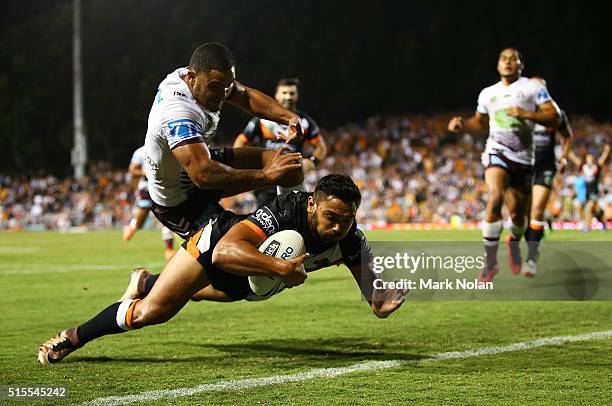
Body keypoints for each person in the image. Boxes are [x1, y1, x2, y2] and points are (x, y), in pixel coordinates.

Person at [37, 174, 407, 364]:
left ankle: (146, 281)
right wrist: (282, 268)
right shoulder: (287, 209)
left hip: (250, 282)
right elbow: (226, 252)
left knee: (196, 294)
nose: (339, 227)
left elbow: (373, 294)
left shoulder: (351, 240)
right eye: (332, 217)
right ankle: (73, 336)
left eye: (347, 220)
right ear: (313, 204)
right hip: (216, 244)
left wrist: (381, 303)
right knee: (155, 312)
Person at [145, 42, 305, 241]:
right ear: (192, 78)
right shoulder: (178, 112)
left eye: (227, 86)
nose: (222, 95)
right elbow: (203, 175)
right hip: (179, 200)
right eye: (215, 87)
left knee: (289, 165)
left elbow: (245, 96)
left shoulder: (208, 79)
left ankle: (297, 231)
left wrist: (289, 117)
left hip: (203, 163)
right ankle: (148, 275)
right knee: (236, 254)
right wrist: (265, 176)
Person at [448, 47, 559, 282]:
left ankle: (514, 242)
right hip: (497, 153)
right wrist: (463, 125)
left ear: (521, 65)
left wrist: (527, 114)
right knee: (495, 196)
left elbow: (555, 117)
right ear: (498, 65)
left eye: (513, 59)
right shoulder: (488, 93)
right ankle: (490, 263)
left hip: (524, 159)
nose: (508, 62)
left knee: (519, 218)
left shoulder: (533, 88)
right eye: (503, 59)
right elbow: (480, 122)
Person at [234, 78, 327, 206]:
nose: (288, 97)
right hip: (267, 180)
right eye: (284, 93)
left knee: (292, 219)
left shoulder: (304, 122)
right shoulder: (262, 121)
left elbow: (321, 147)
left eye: (291, 93)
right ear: (276, 95)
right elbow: (240, 141)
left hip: (292, 178)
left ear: (297, 96)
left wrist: (312, 161)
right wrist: (247, 164)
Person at [521, 76, 573, 277]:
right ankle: (532, 244)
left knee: (536, 210)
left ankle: (531, 259)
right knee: (523, 216)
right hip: (524, 167)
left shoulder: (555, 115)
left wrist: (565, 158)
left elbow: (567, 136)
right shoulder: (522, 113)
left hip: (546, 167)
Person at [122, 145, 177, 261]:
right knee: (141, 218)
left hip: (164, 187)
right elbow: (132, 169)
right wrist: (146, 173)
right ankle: (133, 226)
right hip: (146, 188)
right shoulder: (141, 152)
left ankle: (169, 249)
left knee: (167, 216)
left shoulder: (167, 150)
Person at [568, 144, 610, 231]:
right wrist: (568, 152)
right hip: (586, 193)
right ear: (586, 159)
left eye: (591, 158)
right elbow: (575, 160)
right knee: (594, 211)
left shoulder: (596, 167)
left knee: (589, 208)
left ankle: (587, 226)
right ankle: (602, 223)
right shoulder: (584, 167)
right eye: (588, 158)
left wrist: (606, 151)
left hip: (594, 192)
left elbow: (602, 160)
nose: (590, 160)